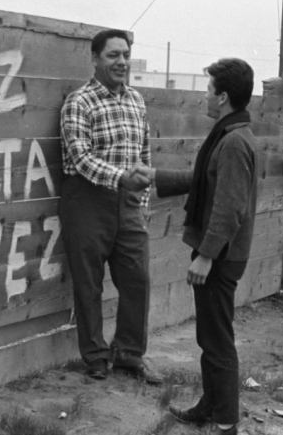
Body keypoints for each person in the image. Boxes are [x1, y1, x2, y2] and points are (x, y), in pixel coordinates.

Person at [133, 58, 258, 434]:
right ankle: (212, 405)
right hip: (220, 253)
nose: (204, 96)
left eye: (207, 90)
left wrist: (205, 256)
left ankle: (225, 424)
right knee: (210, 335)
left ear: (222, 97)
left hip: (220, 256)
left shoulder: (234, 142)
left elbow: (229, 207)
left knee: (217, 340)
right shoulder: (230, 133)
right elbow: (205, 180)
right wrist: (155, 175)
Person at [58, 29, 162, 385]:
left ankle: (129, 354)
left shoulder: (136, 100)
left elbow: (144, 156)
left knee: (138, 280)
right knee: (89, 284)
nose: (121, 62)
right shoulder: (80, 102)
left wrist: (142, 201)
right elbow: (80, 158)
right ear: (95, 59)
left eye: (125, 55)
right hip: (87, 202)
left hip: (129, 204)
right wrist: (122, 179)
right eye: (113, 56)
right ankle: (96, 356)